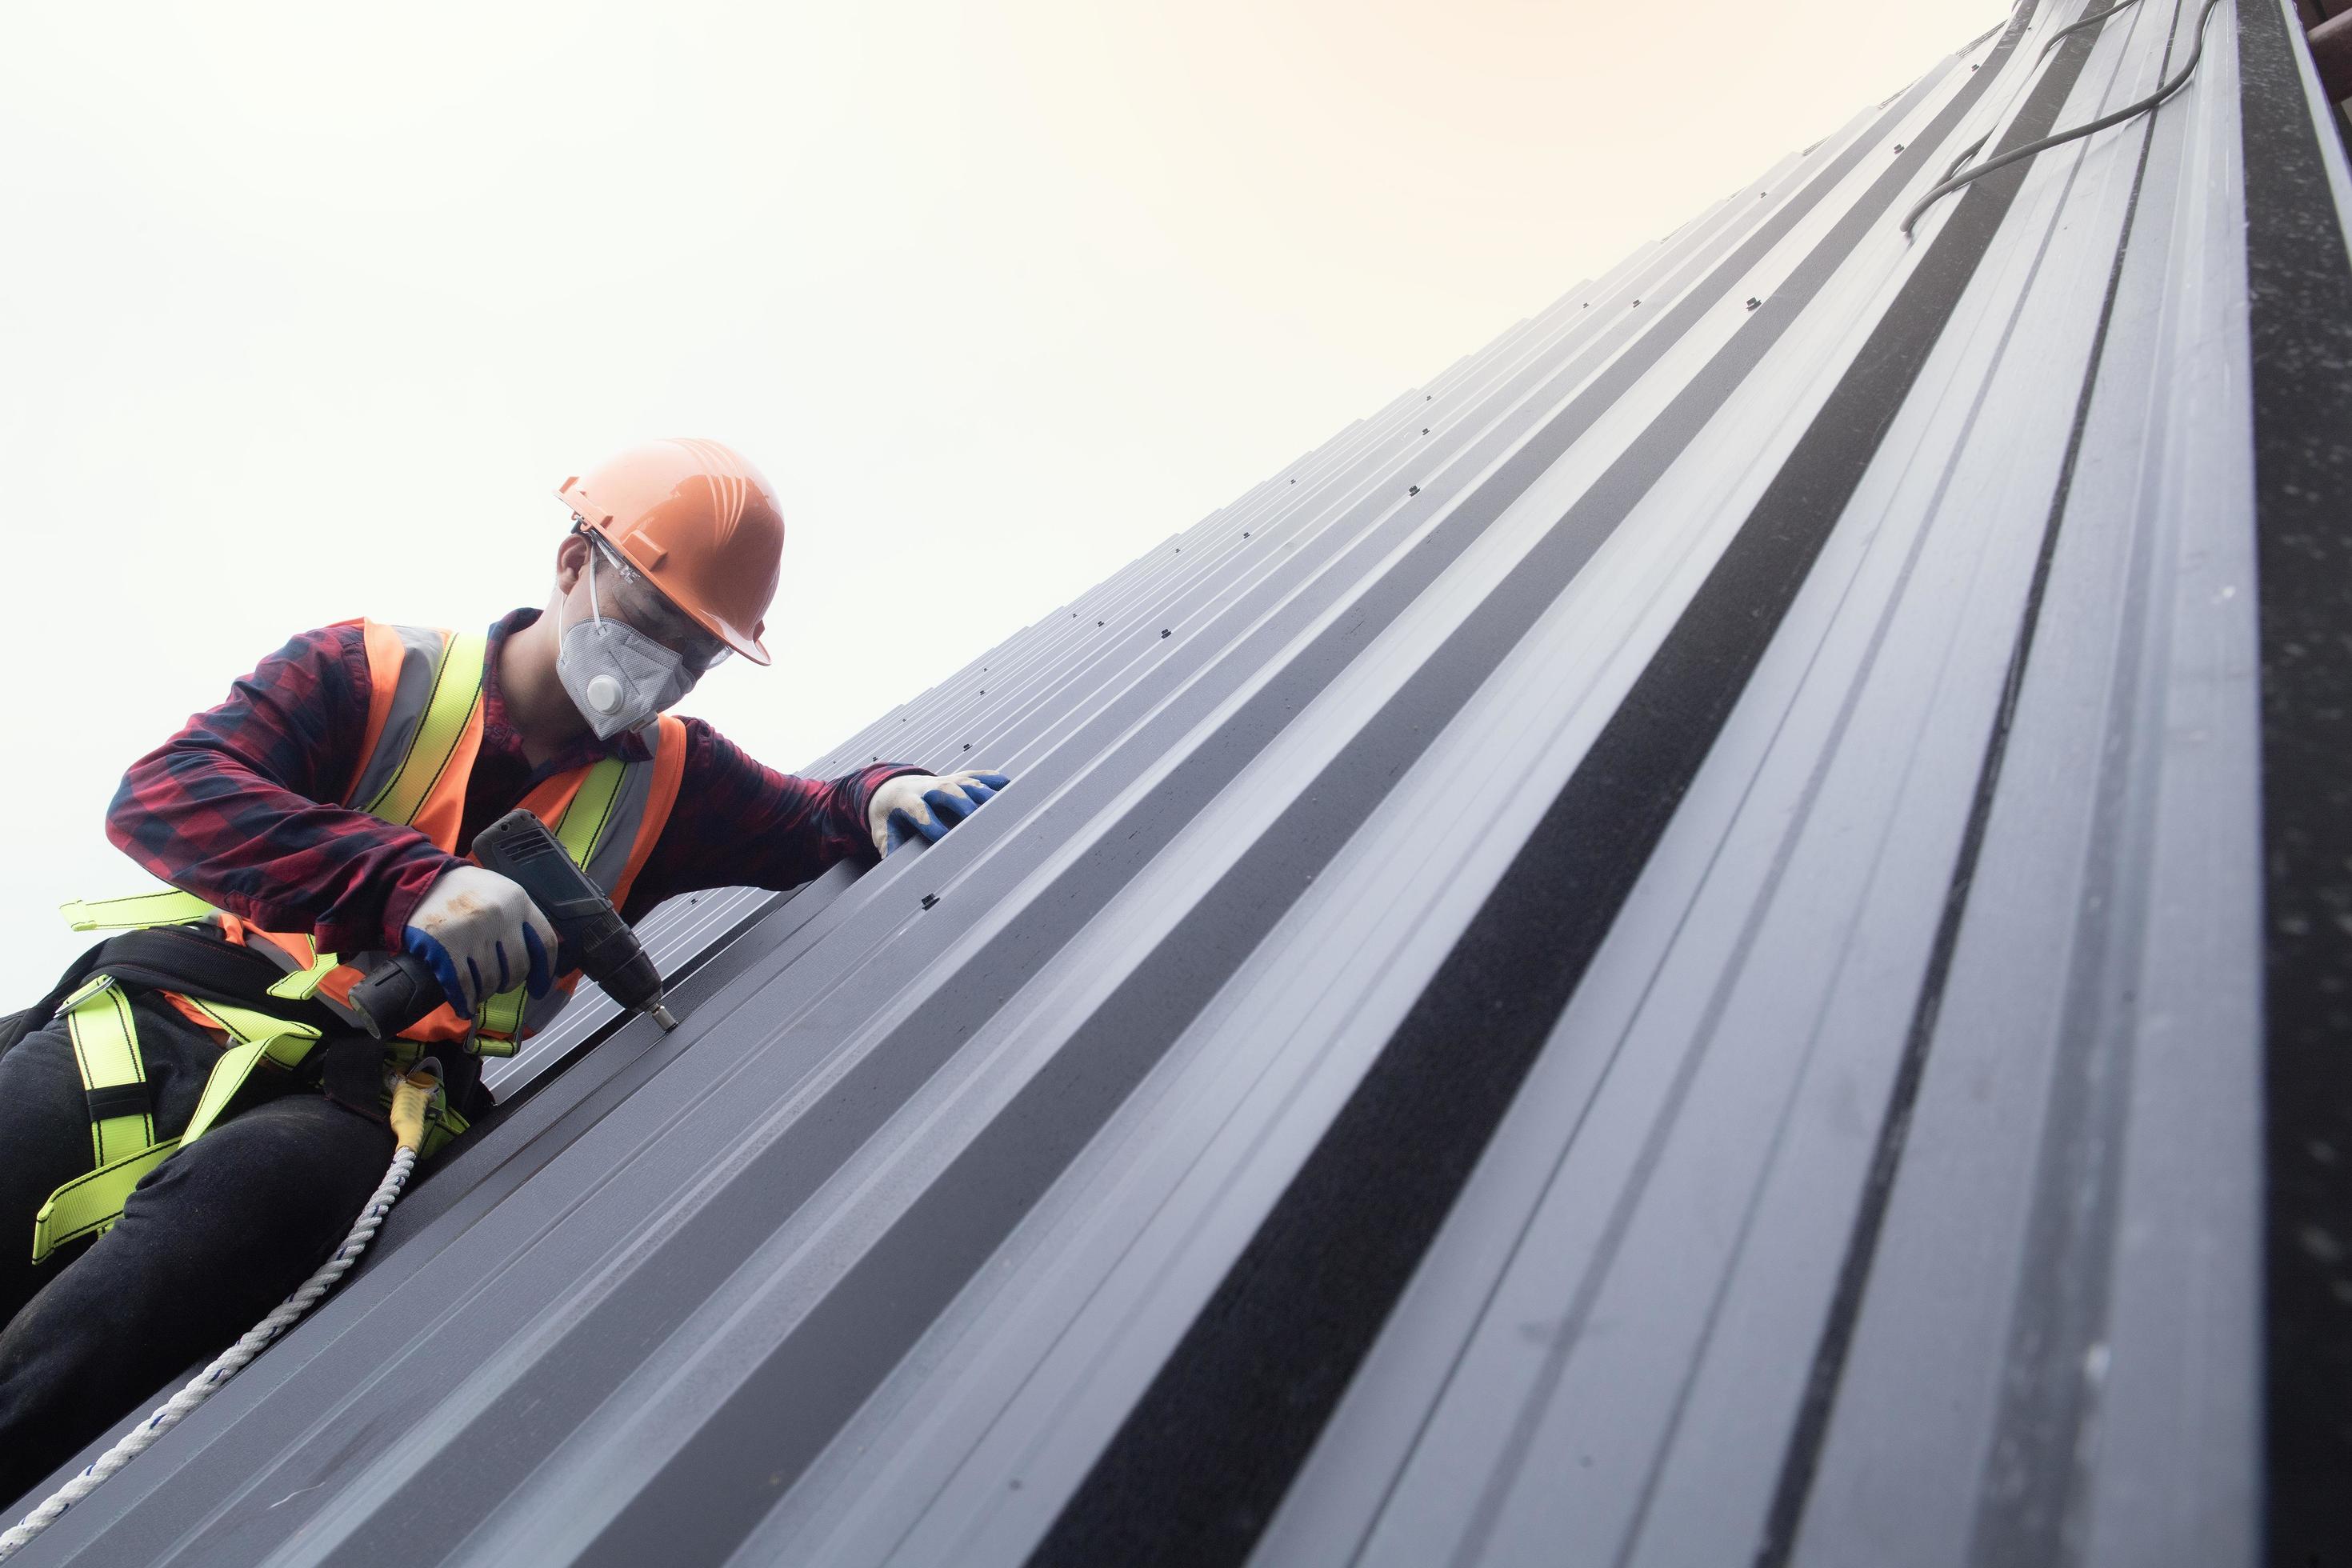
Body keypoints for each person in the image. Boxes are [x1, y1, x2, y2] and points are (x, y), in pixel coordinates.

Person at [0, 438, 1006, 1506]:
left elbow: (819, 817)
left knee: (243, 1214)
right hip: (168, 1016)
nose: (661, 665)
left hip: (367, 1108)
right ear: (573, 564)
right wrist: (406, 884)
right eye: (651, 622)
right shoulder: (372, 672)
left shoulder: (678, 782)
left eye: (694, 651)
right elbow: (164, 796)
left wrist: (887, 791)